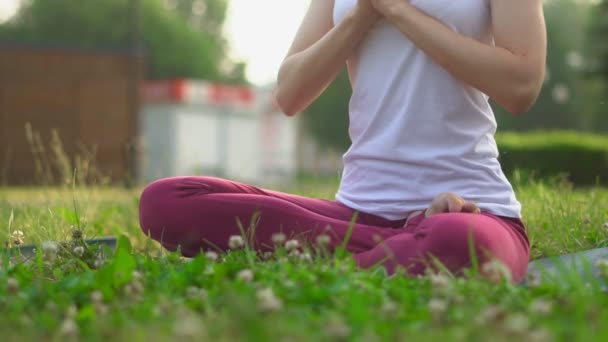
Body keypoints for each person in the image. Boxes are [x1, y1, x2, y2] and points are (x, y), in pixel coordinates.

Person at [139, 0, 546, 283]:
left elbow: (522, 85)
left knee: (460, 243)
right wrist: (361, 16)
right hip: (355, 214)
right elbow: (289, 94)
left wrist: (399, 11)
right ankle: (403, 244)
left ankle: (319, 267)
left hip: (472, 210)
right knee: (166, 202)